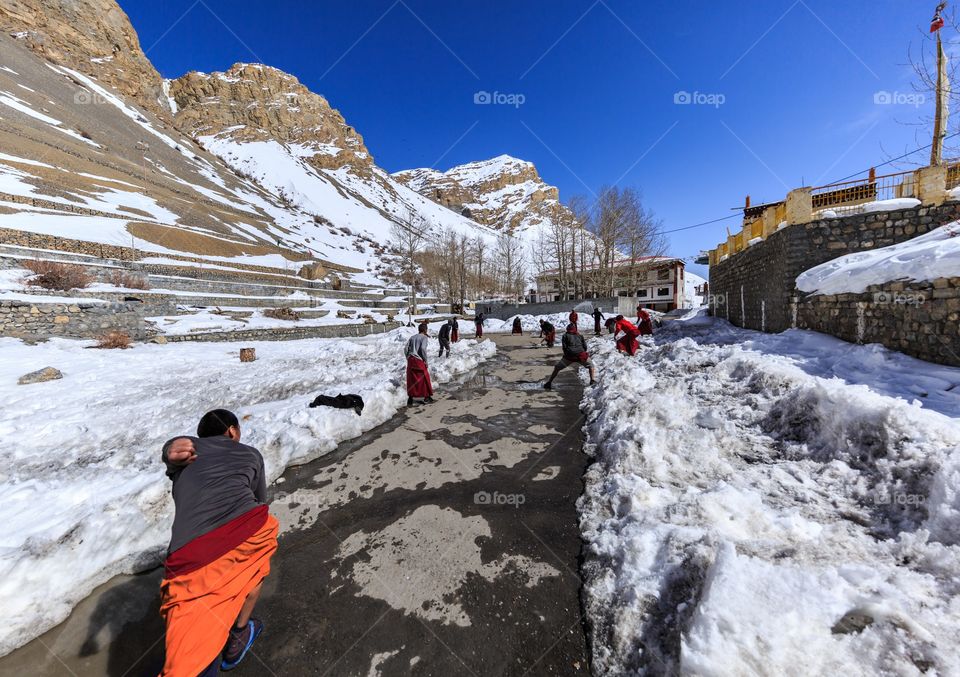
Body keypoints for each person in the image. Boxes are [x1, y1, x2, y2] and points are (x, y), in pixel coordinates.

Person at [158, 410, 278, 676]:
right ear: (233, 431)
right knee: (253, 575)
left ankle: (222, 642)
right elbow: (261, 499)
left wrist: (168, 450)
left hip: (190, 554)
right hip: (249, 530)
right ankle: (237, 637)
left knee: (190, 646)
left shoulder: (186, 453)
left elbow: (172, 452)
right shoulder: (250, 453)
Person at [544, 323, 596, 389]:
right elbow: (585, 347)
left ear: (567, 329)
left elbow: (564, 347)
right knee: (591, 365)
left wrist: (566, 355)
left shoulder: (565, 335)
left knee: (557, 368)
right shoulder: (580, 335)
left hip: (569, 356)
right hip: (581, 355)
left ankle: (549, 382)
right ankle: (592, 380)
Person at [405, 322, 434, 406]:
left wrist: (408, 357)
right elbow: (423, 349)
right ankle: (426, 397)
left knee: (411, 379)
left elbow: (406, 348)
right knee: (424, 378)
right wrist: (425, 360)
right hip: (418, 360)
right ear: (425, 330)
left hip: (411, 360)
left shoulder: (412, 337)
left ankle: (410, 398)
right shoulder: (424, 337)